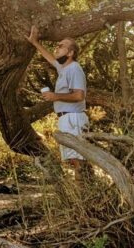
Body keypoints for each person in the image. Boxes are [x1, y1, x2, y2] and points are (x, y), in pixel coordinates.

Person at [26, 25, 88, 172]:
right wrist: (35, 42)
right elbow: (51, 58)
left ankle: (81, 193)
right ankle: (80, 192)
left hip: (73, 119)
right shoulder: (64, 68)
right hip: (66, 119)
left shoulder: (74, 68)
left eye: (61, 46)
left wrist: (56, 96)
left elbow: (80, 95)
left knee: (77, 160)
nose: (57, 48)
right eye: (57, 45)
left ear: (71, 53)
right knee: (73, 161)